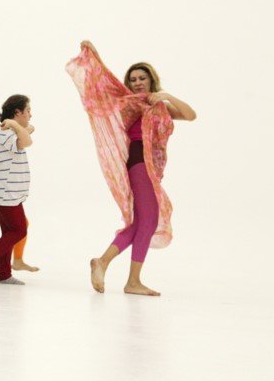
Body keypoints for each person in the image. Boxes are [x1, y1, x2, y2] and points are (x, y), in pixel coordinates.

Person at [68, 41, 196, 296]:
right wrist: (96, 58)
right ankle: (128, 278)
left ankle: (106, 264)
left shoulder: (159, 106)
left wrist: (166, 96)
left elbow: (191, 115)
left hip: (149, 168)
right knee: (148, 221)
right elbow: (106, 84)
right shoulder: (131, 102)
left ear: (151, 80)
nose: (137, 83)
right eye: (133, 79)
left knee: (140, 222)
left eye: (142, 78)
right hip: (139, 163)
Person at [0, 95, 35, 285]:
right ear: (17, 112)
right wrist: (14, 125)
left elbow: (30, 130)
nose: (30, 114)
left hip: (8, 194)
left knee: (8, 233)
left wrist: (16, 125)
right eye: (28, 111)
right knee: (19, 230)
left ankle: (4, 274)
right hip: (5, 193)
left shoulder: (11, 130)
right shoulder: (5, 132)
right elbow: (27, 141)